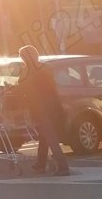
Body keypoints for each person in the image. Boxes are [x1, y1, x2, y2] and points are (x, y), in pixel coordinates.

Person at [16, 46, 70, 176]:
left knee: (50, 138)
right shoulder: (45, 68)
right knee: (45, 137)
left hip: (40, 110)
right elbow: (52, 88)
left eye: (22, 57)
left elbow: (22, 90)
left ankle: (63, 167)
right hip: (54, 107)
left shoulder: (26, 72)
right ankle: (40, 164)